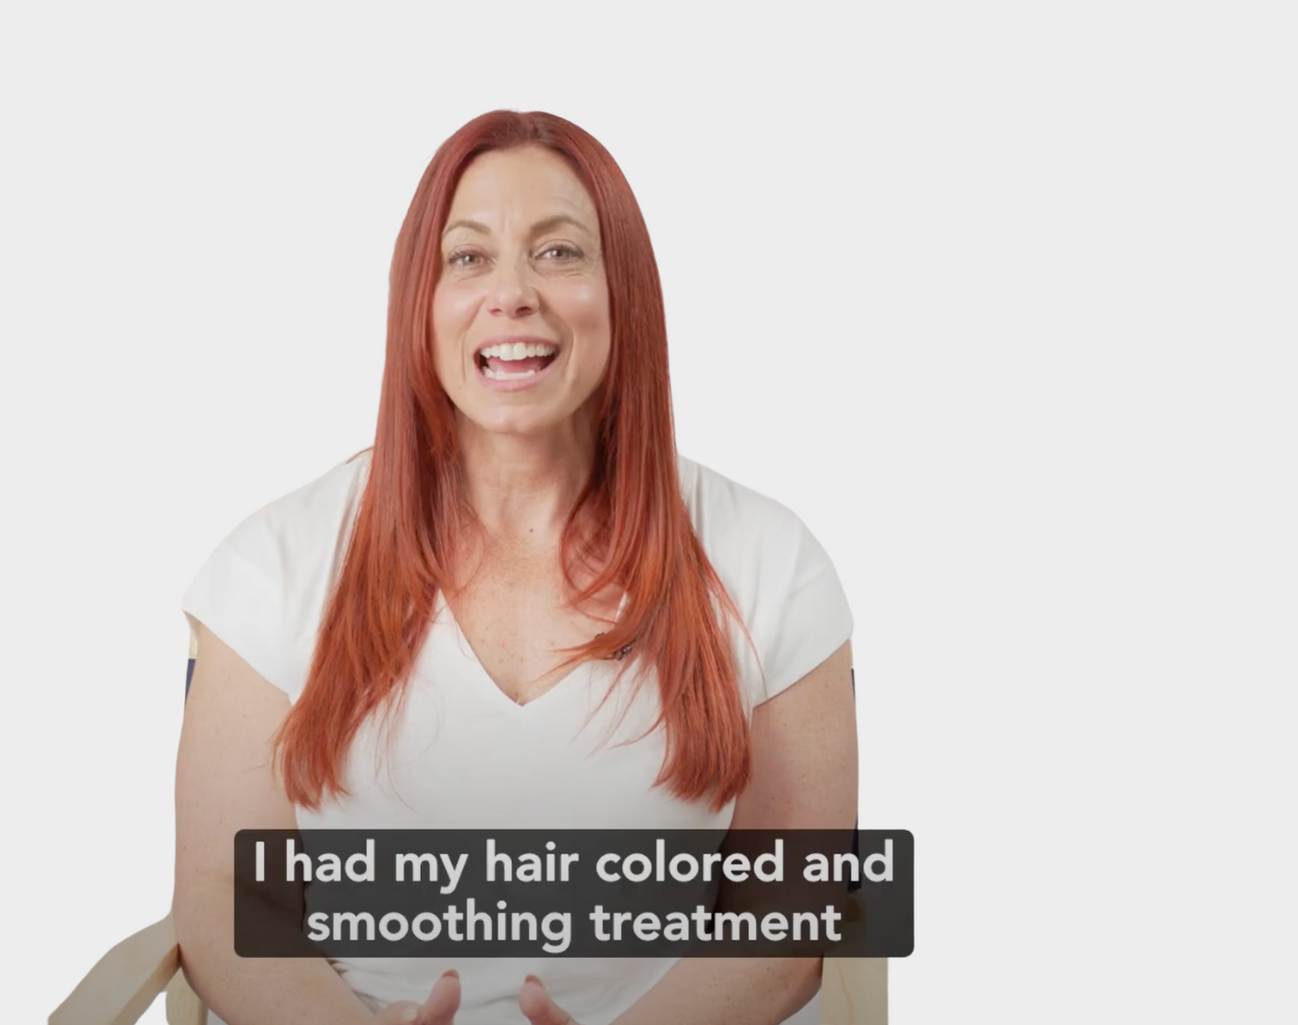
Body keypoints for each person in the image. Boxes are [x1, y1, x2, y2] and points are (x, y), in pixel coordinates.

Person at [173, 109, 858, 1025]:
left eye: (560, 252)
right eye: (467, 258)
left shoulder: (774, 564)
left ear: (626, 295)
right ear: (421, 301)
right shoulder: (272, 566)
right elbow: (224, 894)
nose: (511, 293)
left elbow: (792, 908)